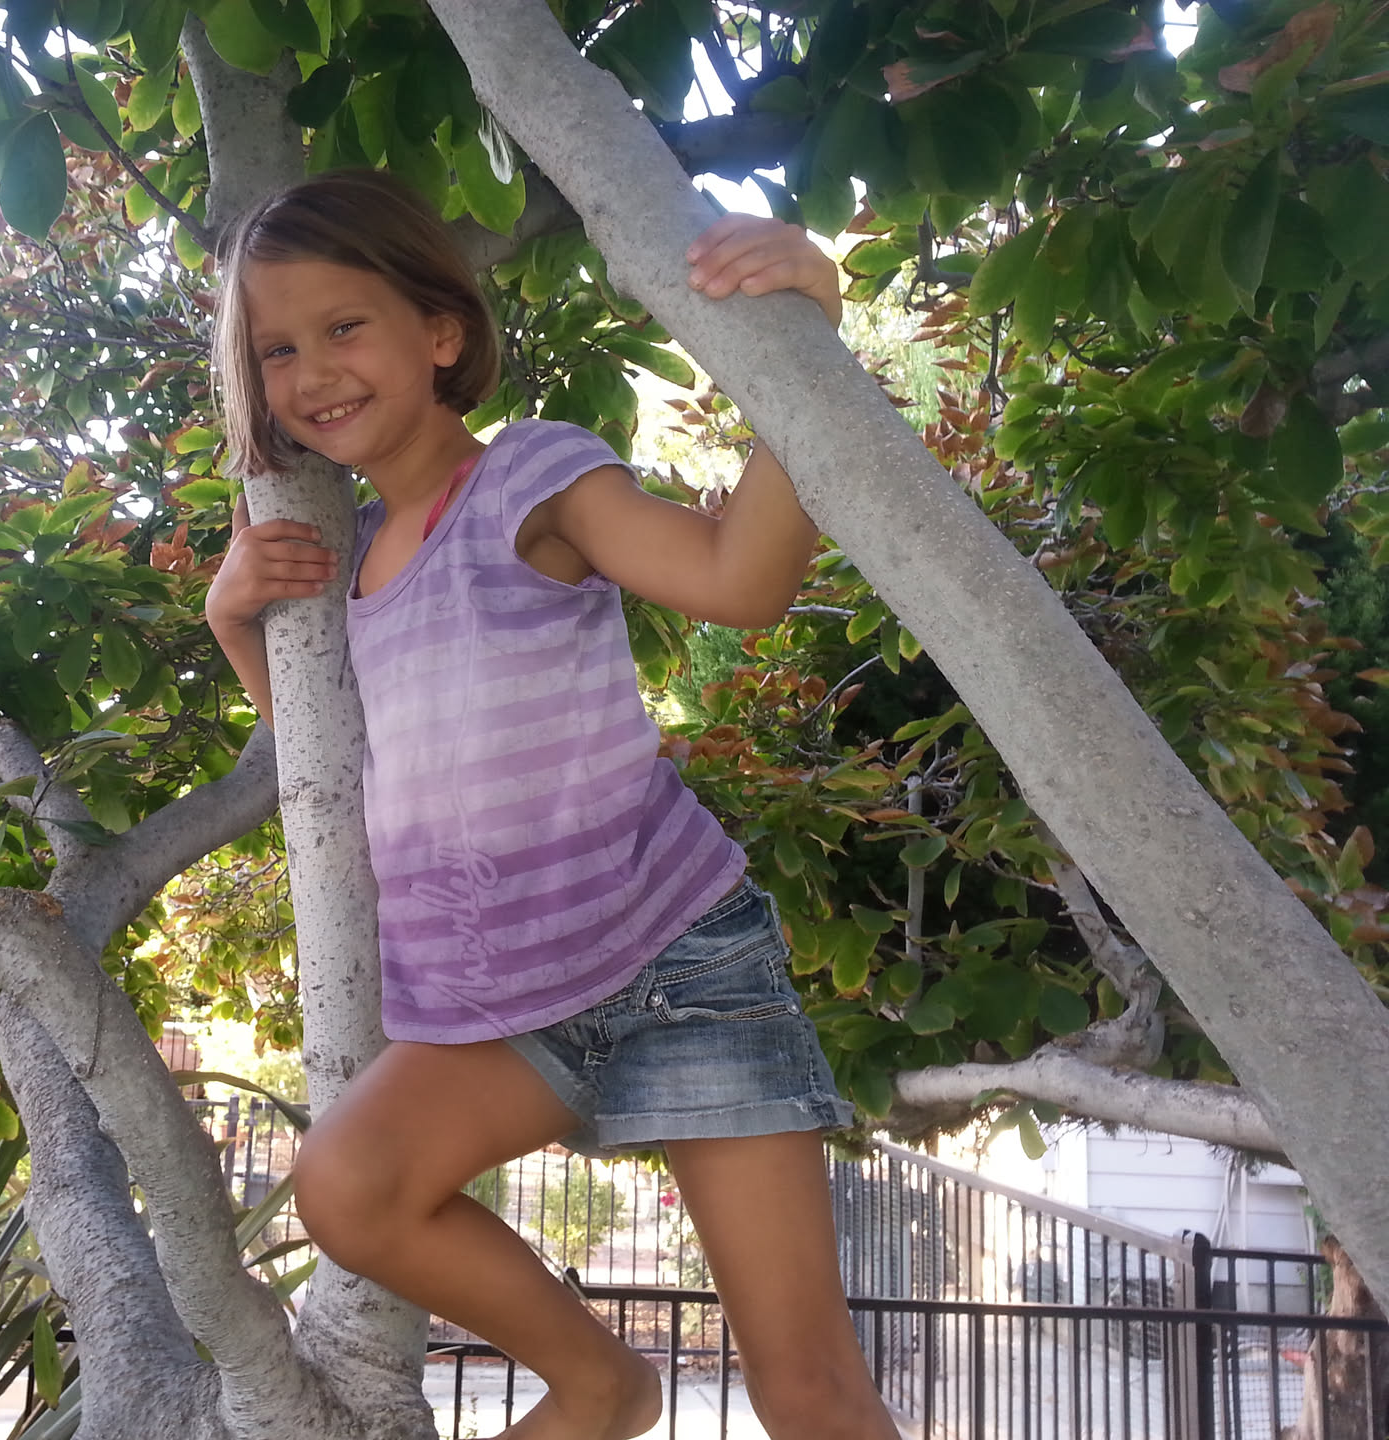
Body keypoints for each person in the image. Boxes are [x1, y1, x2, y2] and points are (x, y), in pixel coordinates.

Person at [205, 169, 898, 1440]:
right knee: (347, 1190)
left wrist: (806, 336)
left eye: (345, 326)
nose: (313, 371)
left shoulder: (531, 477)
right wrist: (235, 623)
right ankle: (601, 1385)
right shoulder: (350, 566)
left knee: (808, 1391)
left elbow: (740, 581)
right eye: (277, 351)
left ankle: (626, 1391)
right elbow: (333, 772)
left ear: (441, 332)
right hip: (495, 1009)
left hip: (674, 963)